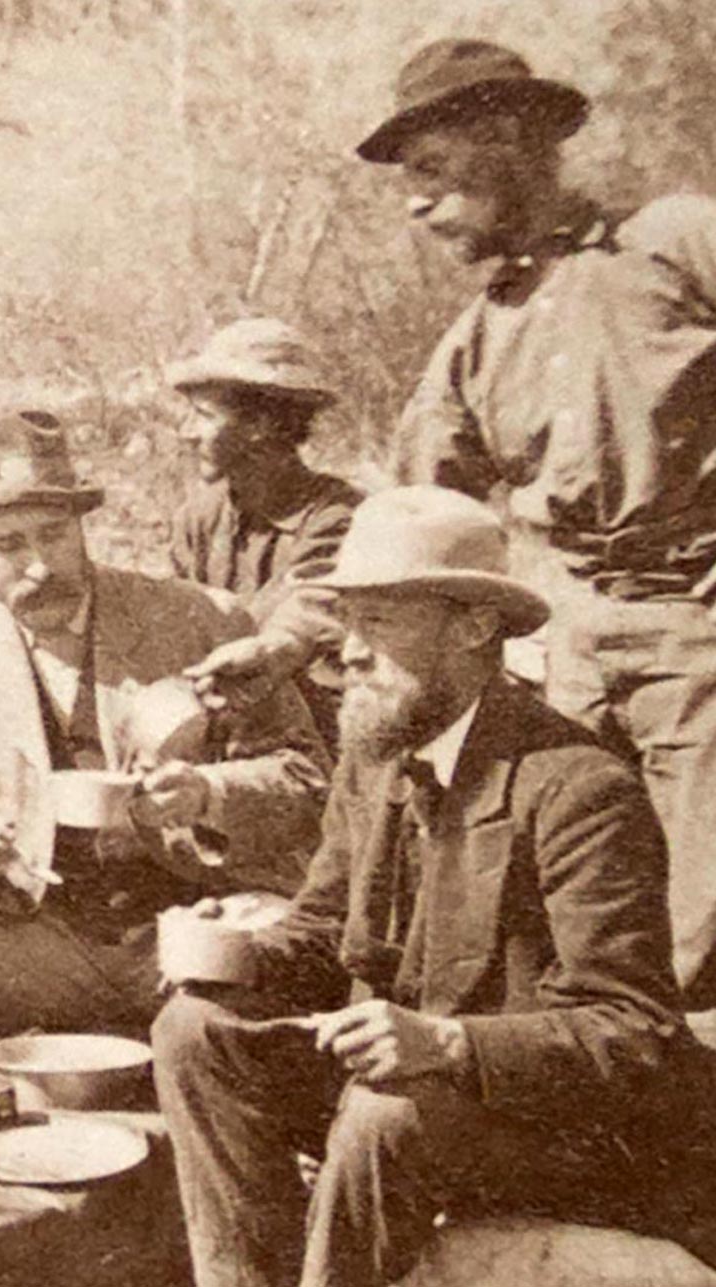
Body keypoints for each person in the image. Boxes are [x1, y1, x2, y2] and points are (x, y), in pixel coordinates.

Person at [204, 39, 716, 1006]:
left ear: (512, 139)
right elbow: (400, 534)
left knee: (702, 935)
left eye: (432, 169)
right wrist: (281, 647)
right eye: (409, 180)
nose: (415, 201)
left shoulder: (677, 242)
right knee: (564, 920)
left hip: (699, 641)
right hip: (567, 660)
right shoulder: (477, 342)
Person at [151, 485, 716, 1287]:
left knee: (390, 1110)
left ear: (474, 627)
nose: (347, 651)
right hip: (415, 1106)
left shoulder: (579, 785)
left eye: (378, 621)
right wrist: (234, 950)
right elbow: (321, 931)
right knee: (193, 1028)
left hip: (560, 1132)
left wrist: (450, 1042)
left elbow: (635, 1030)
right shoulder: (379, 750)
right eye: (345, 621)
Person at [0, 412, 329, 1036]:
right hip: (47, 939)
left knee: (255, 961)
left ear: (80, 527)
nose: (39, 565)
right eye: (10, 546)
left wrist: (207, 794)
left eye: (53, 535)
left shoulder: (198, 620)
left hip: (194, 921)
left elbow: (307, 778)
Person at [166, 318, 362, 741]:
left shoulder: (338, 518)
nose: (186, 433)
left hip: (317, 733)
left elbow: (312, 606)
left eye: (203, 415)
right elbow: (176, 621)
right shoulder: (198, 518)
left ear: (261, 425)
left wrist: (275, 645)